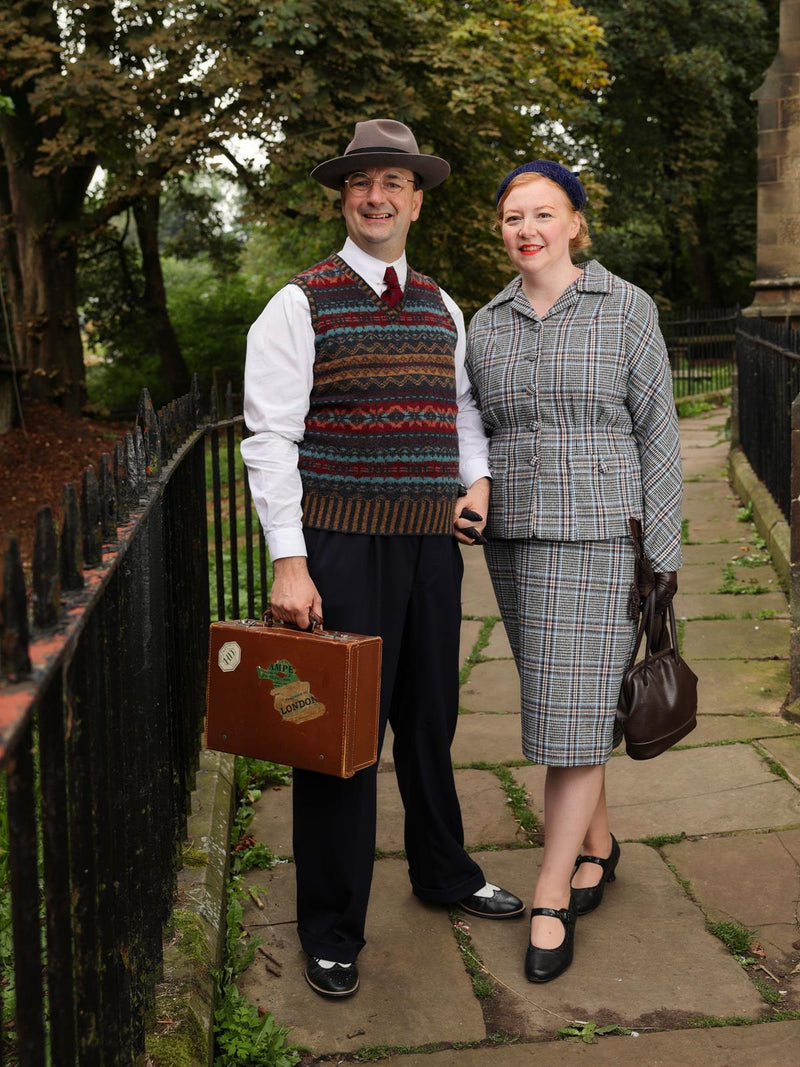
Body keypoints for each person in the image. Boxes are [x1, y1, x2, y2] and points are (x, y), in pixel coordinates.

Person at [241, 119, 524, 1000]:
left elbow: (464, 412)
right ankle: (329, 925)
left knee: (431, 720)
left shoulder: (442, 305)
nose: (377, 196)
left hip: (430, 547)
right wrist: (291, 563)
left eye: (394, 181)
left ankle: (442, 871)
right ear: (344, 196)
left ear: (417, 199)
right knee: (340, 742)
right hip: (341, 549)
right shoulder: (300, 301)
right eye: (363, 181)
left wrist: (476, 482)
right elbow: (270, 437)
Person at [465, 160, 682, 983]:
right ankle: (599, 843)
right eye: (513, 216)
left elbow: (659, 433)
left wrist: (663, 557)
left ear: (575, 223)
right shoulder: (484, 323)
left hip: (601, 538)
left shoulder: (626, 308)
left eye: (543, 213)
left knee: (569, 717)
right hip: (515, 542)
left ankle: (552, 891)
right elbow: (473, 430)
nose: (527, 228)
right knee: (572, 706)